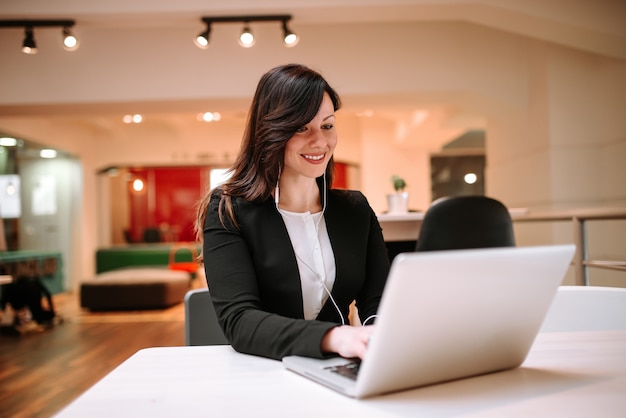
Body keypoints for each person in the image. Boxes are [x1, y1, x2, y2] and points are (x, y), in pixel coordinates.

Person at [195, 63, 390, 361]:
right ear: (271, 131)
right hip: (263, 372)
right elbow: (240, 321)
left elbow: (377, 303)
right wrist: (333, 336)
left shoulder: (355, 210)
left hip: (338, 369)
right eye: (301, 128)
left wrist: (377, 338)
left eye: (327, 125)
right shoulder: (228, 210)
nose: (320, 142)